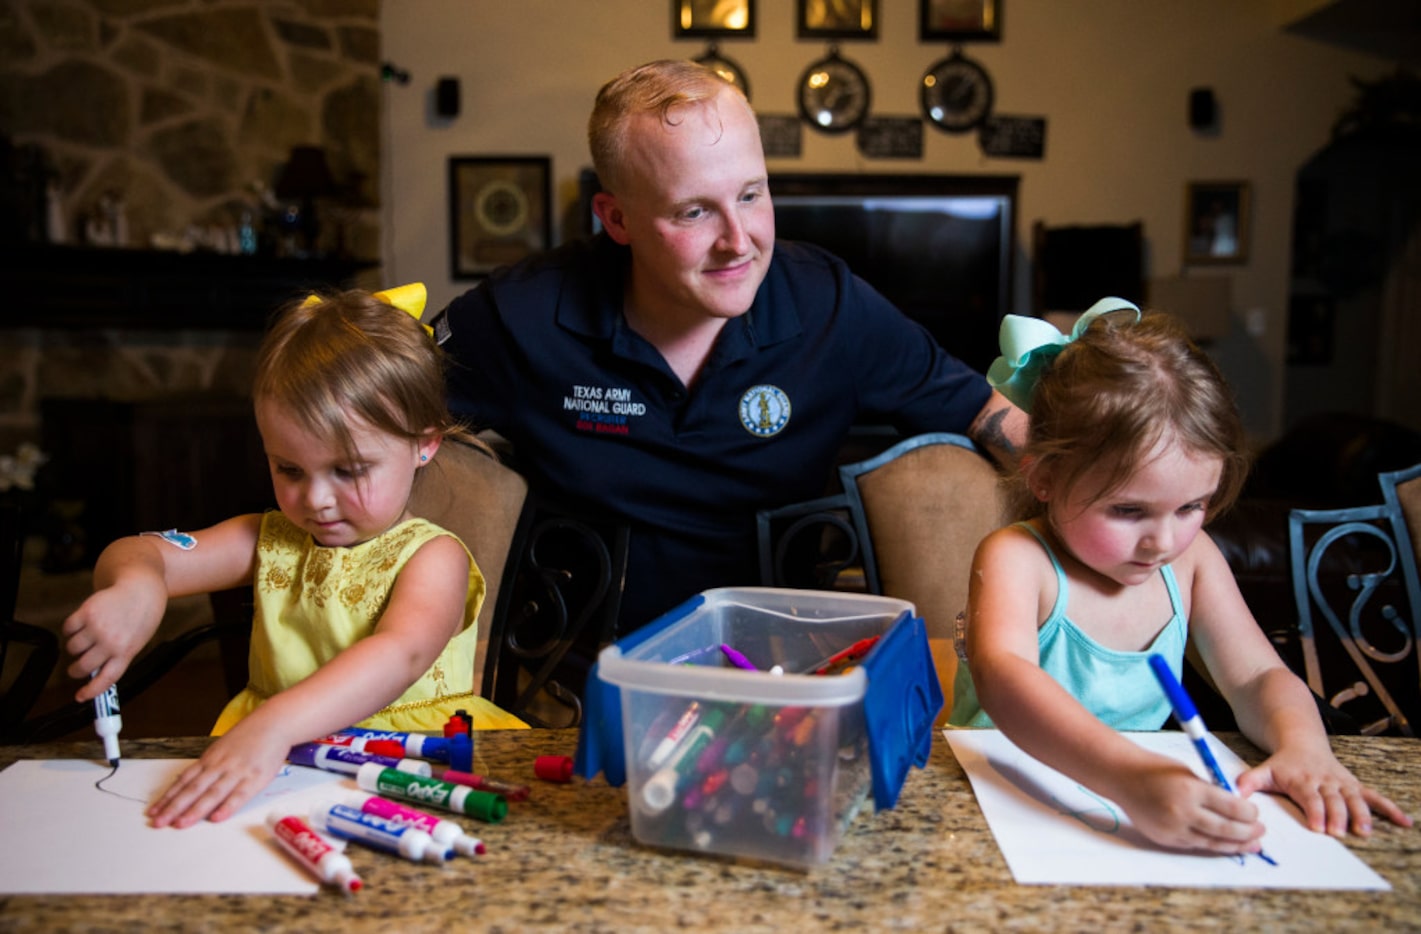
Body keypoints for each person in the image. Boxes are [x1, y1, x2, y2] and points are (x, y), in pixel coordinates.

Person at [429, 59, 1027, 635]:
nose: (739, 243)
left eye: (751, 195)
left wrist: (1104, 495)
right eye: (694, 213)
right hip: (574, 683)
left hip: (785, 670)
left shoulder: (831, 305)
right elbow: (370, 406)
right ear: (616, 220)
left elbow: (983, 412)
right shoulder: (521, 314)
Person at [948, 298, 1411, 855]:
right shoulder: (1017, 557)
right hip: (997, 807)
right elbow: (1008, 680)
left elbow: (1258, 676)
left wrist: (1306, 747)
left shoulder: (1191, 564)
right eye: (1128, 511)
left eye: (1192, 506)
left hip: (1139, 805)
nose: (1163, 542)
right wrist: (1132, 778)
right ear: (1045, 477)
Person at [60, 284, 526, 829]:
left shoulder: (433, 557)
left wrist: (275, 724)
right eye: (290, 470)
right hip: (274, 766)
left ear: (424, 443)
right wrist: (134, 586)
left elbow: (398, 654)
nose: (316, 499)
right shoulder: (268, 540)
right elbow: (145, 551)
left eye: (348, 471)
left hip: (411, 767)